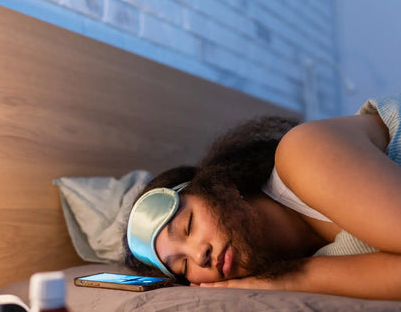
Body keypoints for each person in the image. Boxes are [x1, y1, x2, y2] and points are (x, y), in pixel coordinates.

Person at [124, 94, 401, 300]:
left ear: (222, 187)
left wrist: (288, 281)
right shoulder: (306, 258)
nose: (200, 255)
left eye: (189, 225)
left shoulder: (303, 153)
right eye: (182, 266)